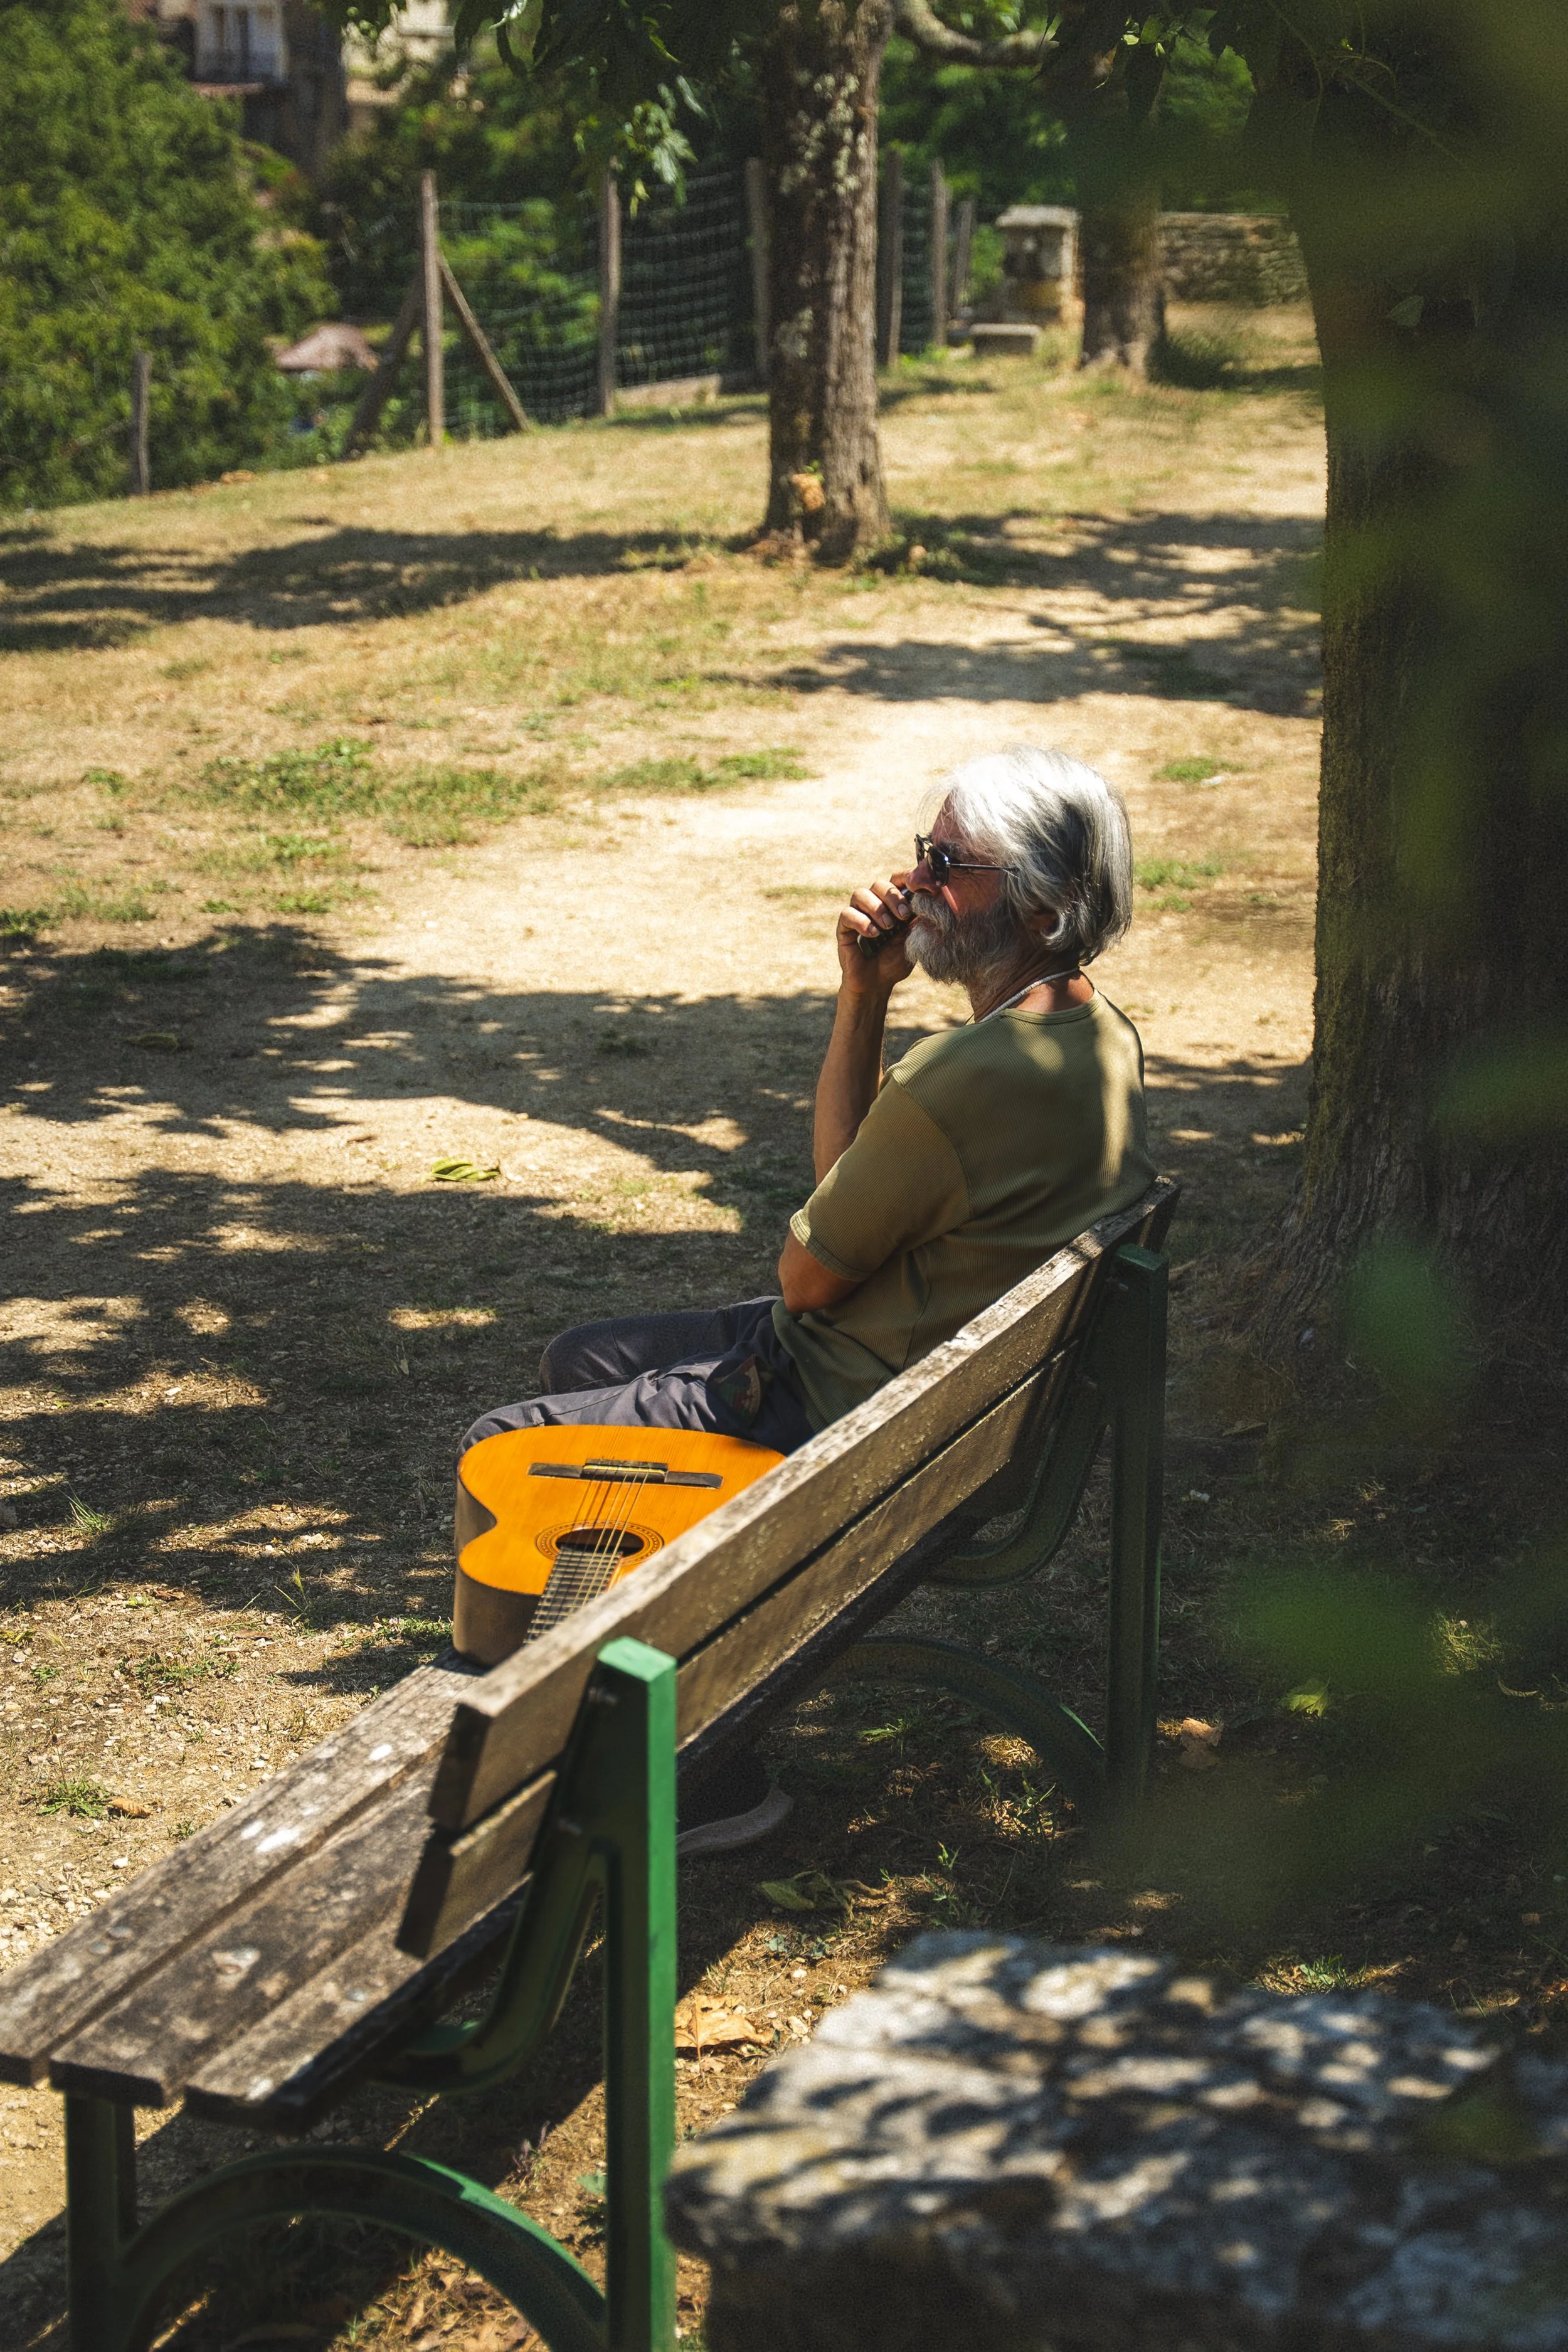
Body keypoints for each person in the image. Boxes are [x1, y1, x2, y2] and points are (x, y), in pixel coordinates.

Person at [458, 744, 1156, 1851]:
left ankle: (688, 1773)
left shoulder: (964, 1076)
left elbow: (807, 1267)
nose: (918, 879)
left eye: (950, 863)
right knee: (584, 1359)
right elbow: (843, 1195)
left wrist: (876, 1021)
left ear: (1042, 904)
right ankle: (654, 1679)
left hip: (836, 1419)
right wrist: (864, 993)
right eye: (924, 851)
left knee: (505, 1446)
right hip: (931, 1404)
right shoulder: (1095, 1038)